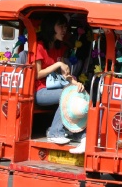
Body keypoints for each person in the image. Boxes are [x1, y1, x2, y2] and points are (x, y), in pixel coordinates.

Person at [33, 14, 84, 143]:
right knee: (67, 95)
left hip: (54, 88)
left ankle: (77, 133)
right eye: (60, 26)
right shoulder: (39, 46)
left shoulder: (58, 48)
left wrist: (76, 83)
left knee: (79, 94)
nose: (64, 30)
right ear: (51, 27)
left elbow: (64, 75)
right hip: (40, 90)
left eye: (65, 27)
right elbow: (37, 74)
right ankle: (55, 132)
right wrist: (57, 64)